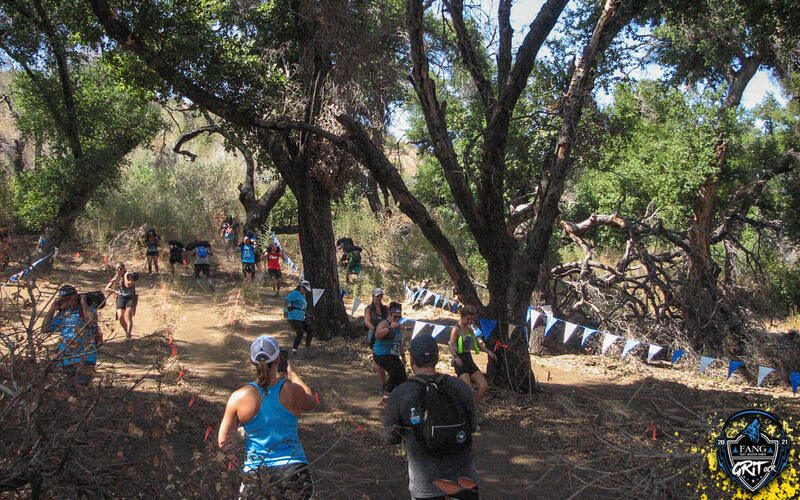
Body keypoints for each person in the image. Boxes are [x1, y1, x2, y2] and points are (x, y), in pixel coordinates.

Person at [218, 335, 316, 499]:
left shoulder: (238, 397)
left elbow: (224, 443)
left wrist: (244, 433)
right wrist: (293, 375)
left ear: (251, 361)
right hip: (294, 470)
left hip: (257, 474)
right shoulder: (292, 390)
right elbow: (310, 401)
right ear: (278, 359)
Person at [384, 334, 480, 500]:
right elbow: (472, 427)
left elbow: (391, 437)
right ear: (436, 358)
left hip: (427, 487)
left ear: (411, 359)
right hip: (465, 482)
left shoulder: (401, 393)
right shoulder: (460, 386)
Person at [42, 285, 102, 391]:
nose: (67, 302)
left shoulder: (87, 310)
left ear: (75, 296)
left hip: (86, 355)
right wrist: (52, 310)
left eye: (69, 299)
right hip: (66, 356)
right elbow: (45, 329)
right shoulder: (63, 314)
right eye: (63, 300)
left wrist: (83, 303)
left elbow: (91, 321)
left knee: (81, 387)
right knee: (67, 389)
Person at [448, 305, 496, 407]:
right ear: (463, 316)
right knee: (468, 388)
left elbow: (477, 344)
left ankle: (473, 408)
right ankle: (463, 410)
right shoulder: (456, 329)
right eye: (468, 319)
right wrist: (456, 357)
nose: (469, 321)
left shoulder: (469, 329)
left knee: (483, 385)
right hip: (460, 360)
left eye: (472, 320)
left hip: (468, 358)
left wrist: (488, 352)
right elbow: (451, 346)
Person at [373, 301, 407, 406]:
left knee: (402, 376)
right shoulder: (385, 323)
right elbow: (377, 334)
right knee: (396, 374)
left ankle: (394, 396)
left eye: (399, 317)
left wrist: (403, 356)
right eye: (395, 317)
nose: (397, 319)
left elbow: (399, 341)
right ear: (390, 315)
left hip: (392, 354)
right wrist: (389, 328)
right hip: (382, 354)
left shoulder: (398, 326)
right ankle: (386, 399)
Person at [364, 288, 389, 390]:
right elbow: (367, 321)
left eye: (380, 296)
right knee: (379, 359)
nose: (379, 298)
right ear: (373, 296)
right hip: (374, 334)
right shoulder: (369, 308)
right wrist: (374, 329)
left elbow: (390, 319)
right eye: (377, 296)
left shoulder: (385, 309)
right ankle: (384, 383)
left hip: (386, 333)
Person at [105, 263, 137, 339]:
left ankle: (128, 335)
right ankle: (127, 332)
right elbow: (107, 287)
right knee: (120, 317)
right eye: (117, 269)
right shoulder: (117, 277)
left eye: (120, 268)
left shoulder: (130, 275)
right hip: (121, 297)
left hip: (130, 297)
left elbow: (127, 285)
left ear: (124, 268)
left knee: (127, 317)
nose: (119, 270)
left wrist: (125, 276)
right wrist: (115, 291)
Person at [284, 280, 314, 357]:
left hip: (300, 317)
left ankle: (306, 349)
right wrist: (285, 311)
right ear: (301, 287)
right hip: (293, 316)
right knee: (300, 333)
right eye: (305, 289)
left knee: (310, 330)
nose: (306, 291)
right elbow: (286, 301)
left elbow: (302, 308)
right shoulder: (295, 293)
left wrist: (308, 315)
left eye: (307, 290)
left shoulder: (302, 295)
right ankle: (294, 351)